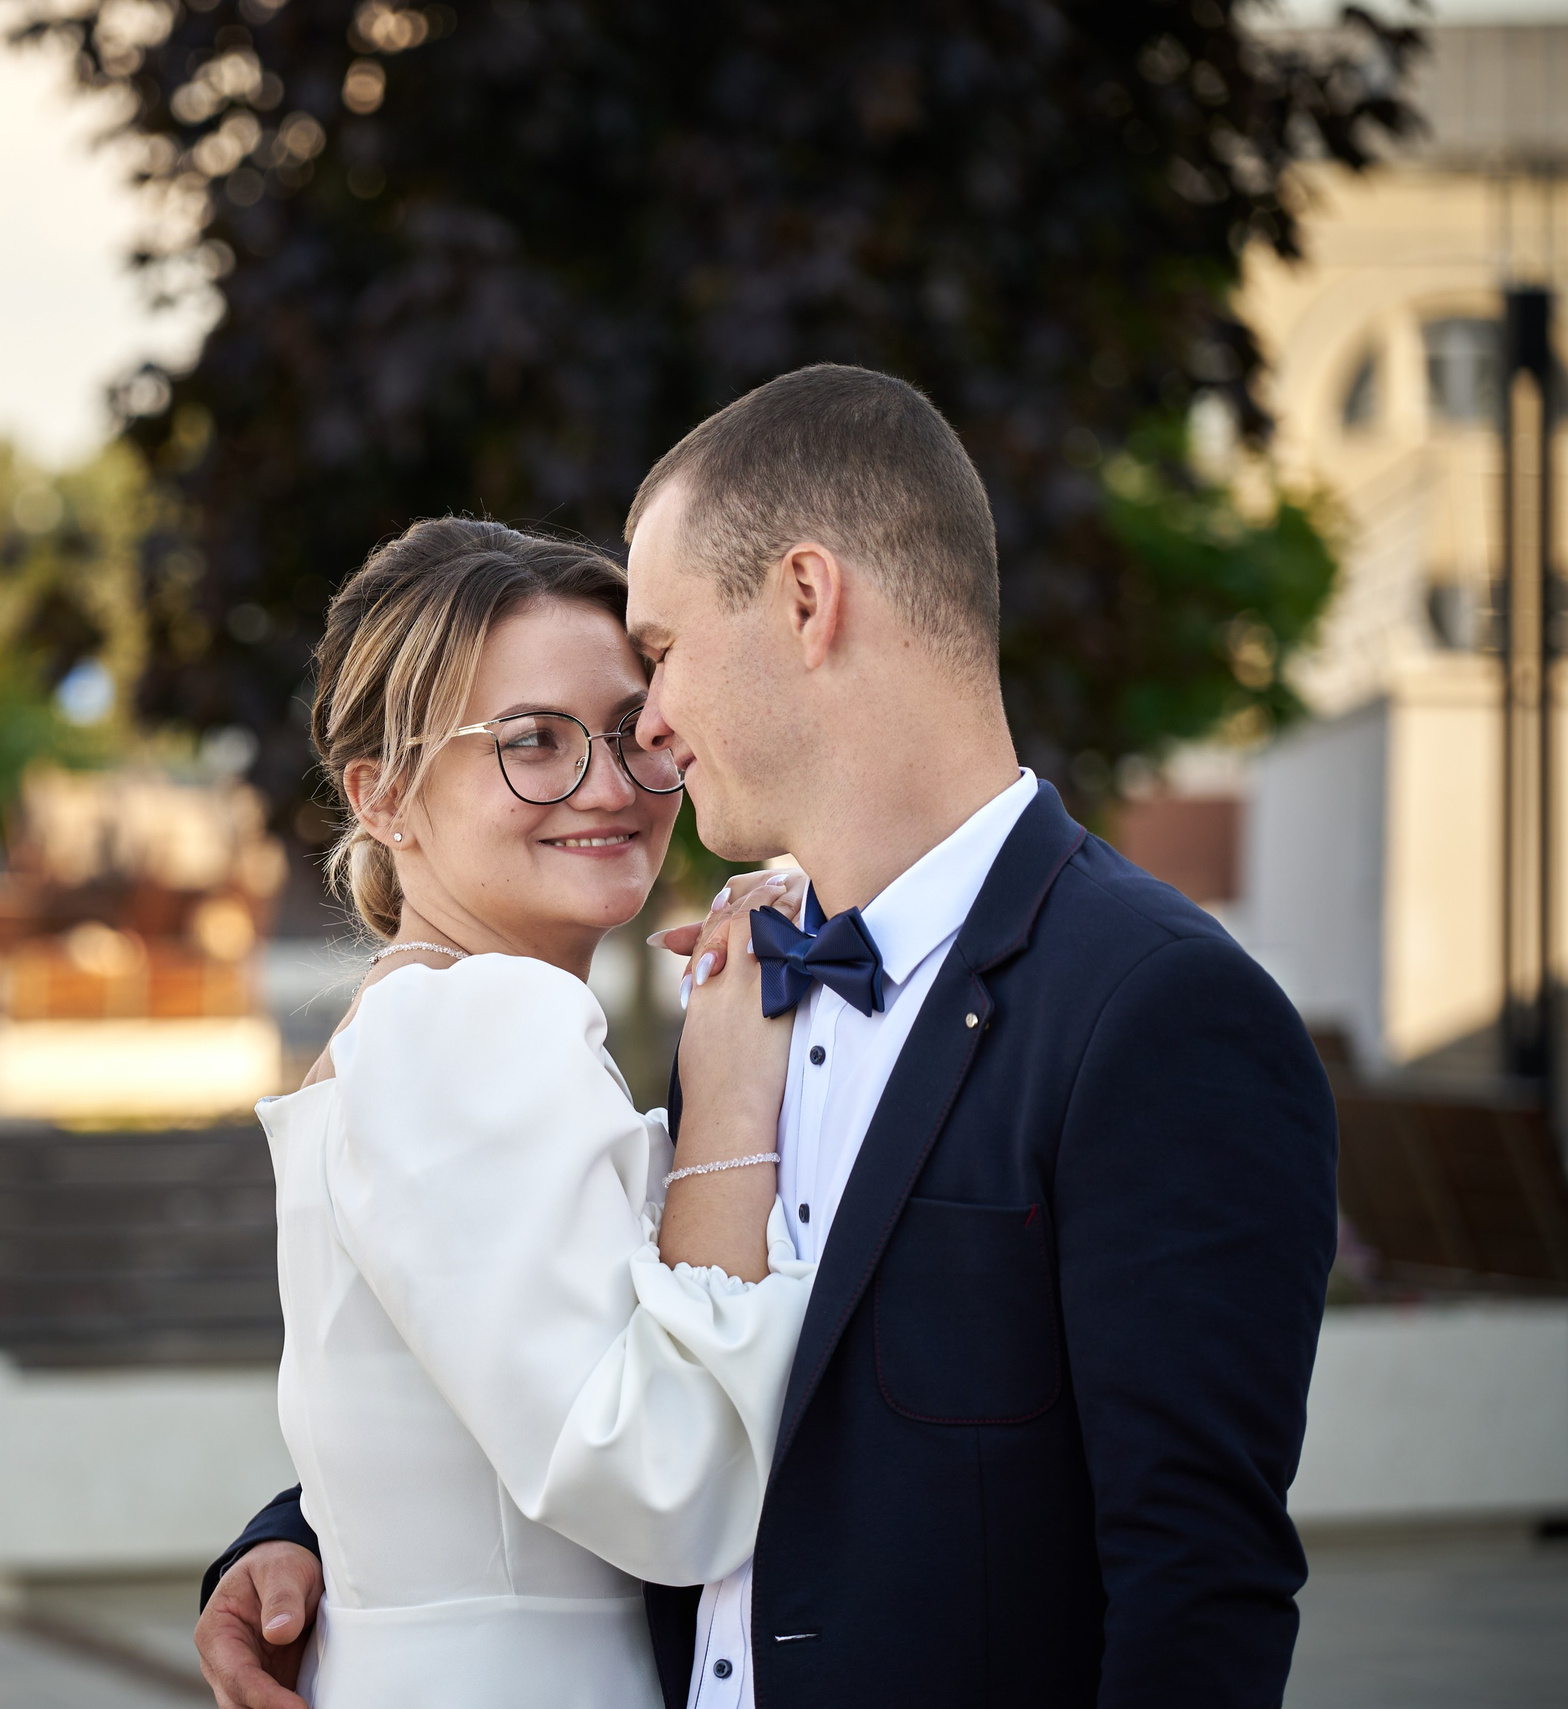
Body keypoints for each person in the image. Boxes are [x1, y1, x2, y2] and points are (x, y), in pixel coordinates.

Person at [199, 366, 1338, 1709]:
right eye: (541, 739)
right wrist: (313, 1526)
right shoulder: (735, 1007)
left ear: (806, 599)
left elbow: (1197, 1578)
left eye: (657, 666)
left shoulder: (1153, 1009)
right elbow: (561, 1373)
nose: (648, 748)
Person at [247, 517, 819, 1708]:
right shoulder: (474, 1022)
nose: (607, 785)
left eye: (631, 731)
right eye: (531, 743)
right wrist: (728, 1096)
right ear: (385, 794)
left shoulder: (412, 1027)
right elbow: (669, 1482)